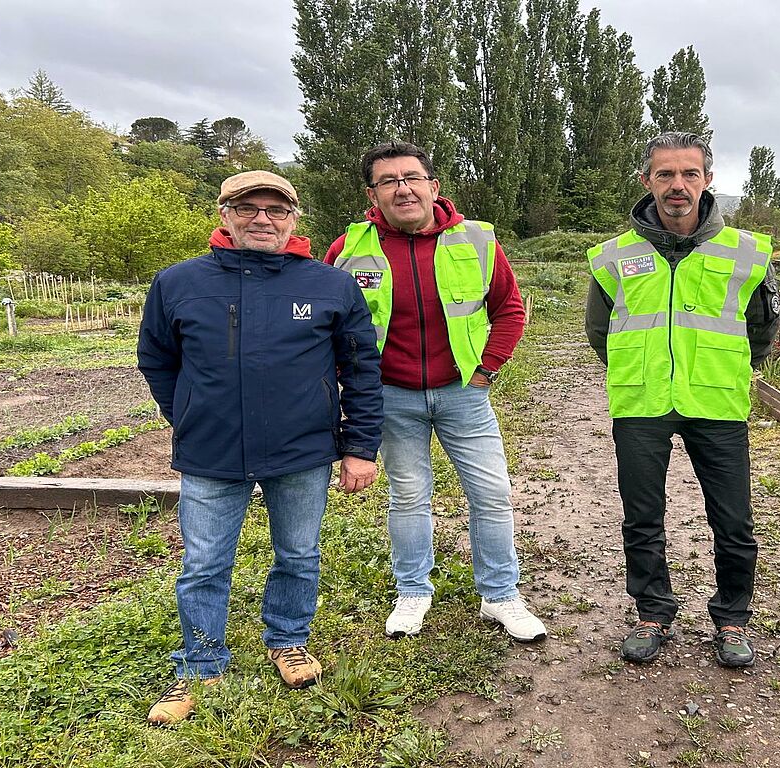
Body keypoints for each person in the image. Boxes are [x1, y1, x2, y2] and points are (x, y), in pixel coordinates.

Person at [138, 170, 384, 724]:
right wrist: (189, 415)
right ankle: (200, 663)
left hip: (302, 451)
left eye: (276, 210)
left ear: (294, 218)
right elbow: (157, 359)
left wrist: (360, 447)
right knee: (203, 564)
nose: (263, 220)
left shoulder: (330, 285)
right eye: (248, 209)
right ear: (225, 215)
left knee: (298, 554)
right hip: (212, 453)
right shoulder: (178, 283)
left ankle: (288, 639)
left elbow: (361, 370)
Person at [324, 141, 546, 643]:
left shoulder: (478, 240)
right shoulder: (348, 249)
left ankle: (500, 595)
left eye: (412, 178)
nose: (402, 189)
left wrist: (487, 369)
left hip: (463, 393)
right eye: (388, 181)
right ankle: (412, 592)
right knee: (407, 496)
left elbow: (509, 309)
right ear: (373, 194)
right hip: (391, 397)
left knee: (491, 494)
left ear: (433, 186)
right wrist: (351, 380)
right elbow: (326, 322)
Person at [585, 132, 780, 668]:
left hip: (716, 403)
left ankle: (733, 619)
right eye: (665, 174)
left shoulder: (746, 252)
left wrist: (724, 369)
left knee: (733, 521)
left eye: (689, 173)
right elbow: (600, 332)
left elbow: (762, 330)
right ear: (647, 181)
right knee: (642, 517)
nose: (678, 185)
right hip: (641, 403)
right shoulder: (613, 257)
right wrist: (640, 370)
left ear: (707, 179)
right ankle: (653, 612)